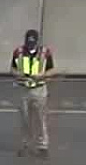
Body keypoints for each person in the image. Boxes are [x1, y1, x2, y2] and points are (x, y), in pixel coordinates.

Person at [10, 29, 57, 158]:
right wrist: (18, 74)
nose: (30, 45)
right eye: (28, 42)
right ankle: (26, 145)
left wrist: (42, 75)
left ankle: (43, 146)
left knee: (41, 119)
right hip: (23, 89)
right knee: (25, 119)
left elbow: (52, 70)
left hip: (39, 88)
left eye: (33, 42)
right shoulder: (18, 52)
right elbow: (12, 69)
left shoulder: (45, 53)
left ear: (37, 41)